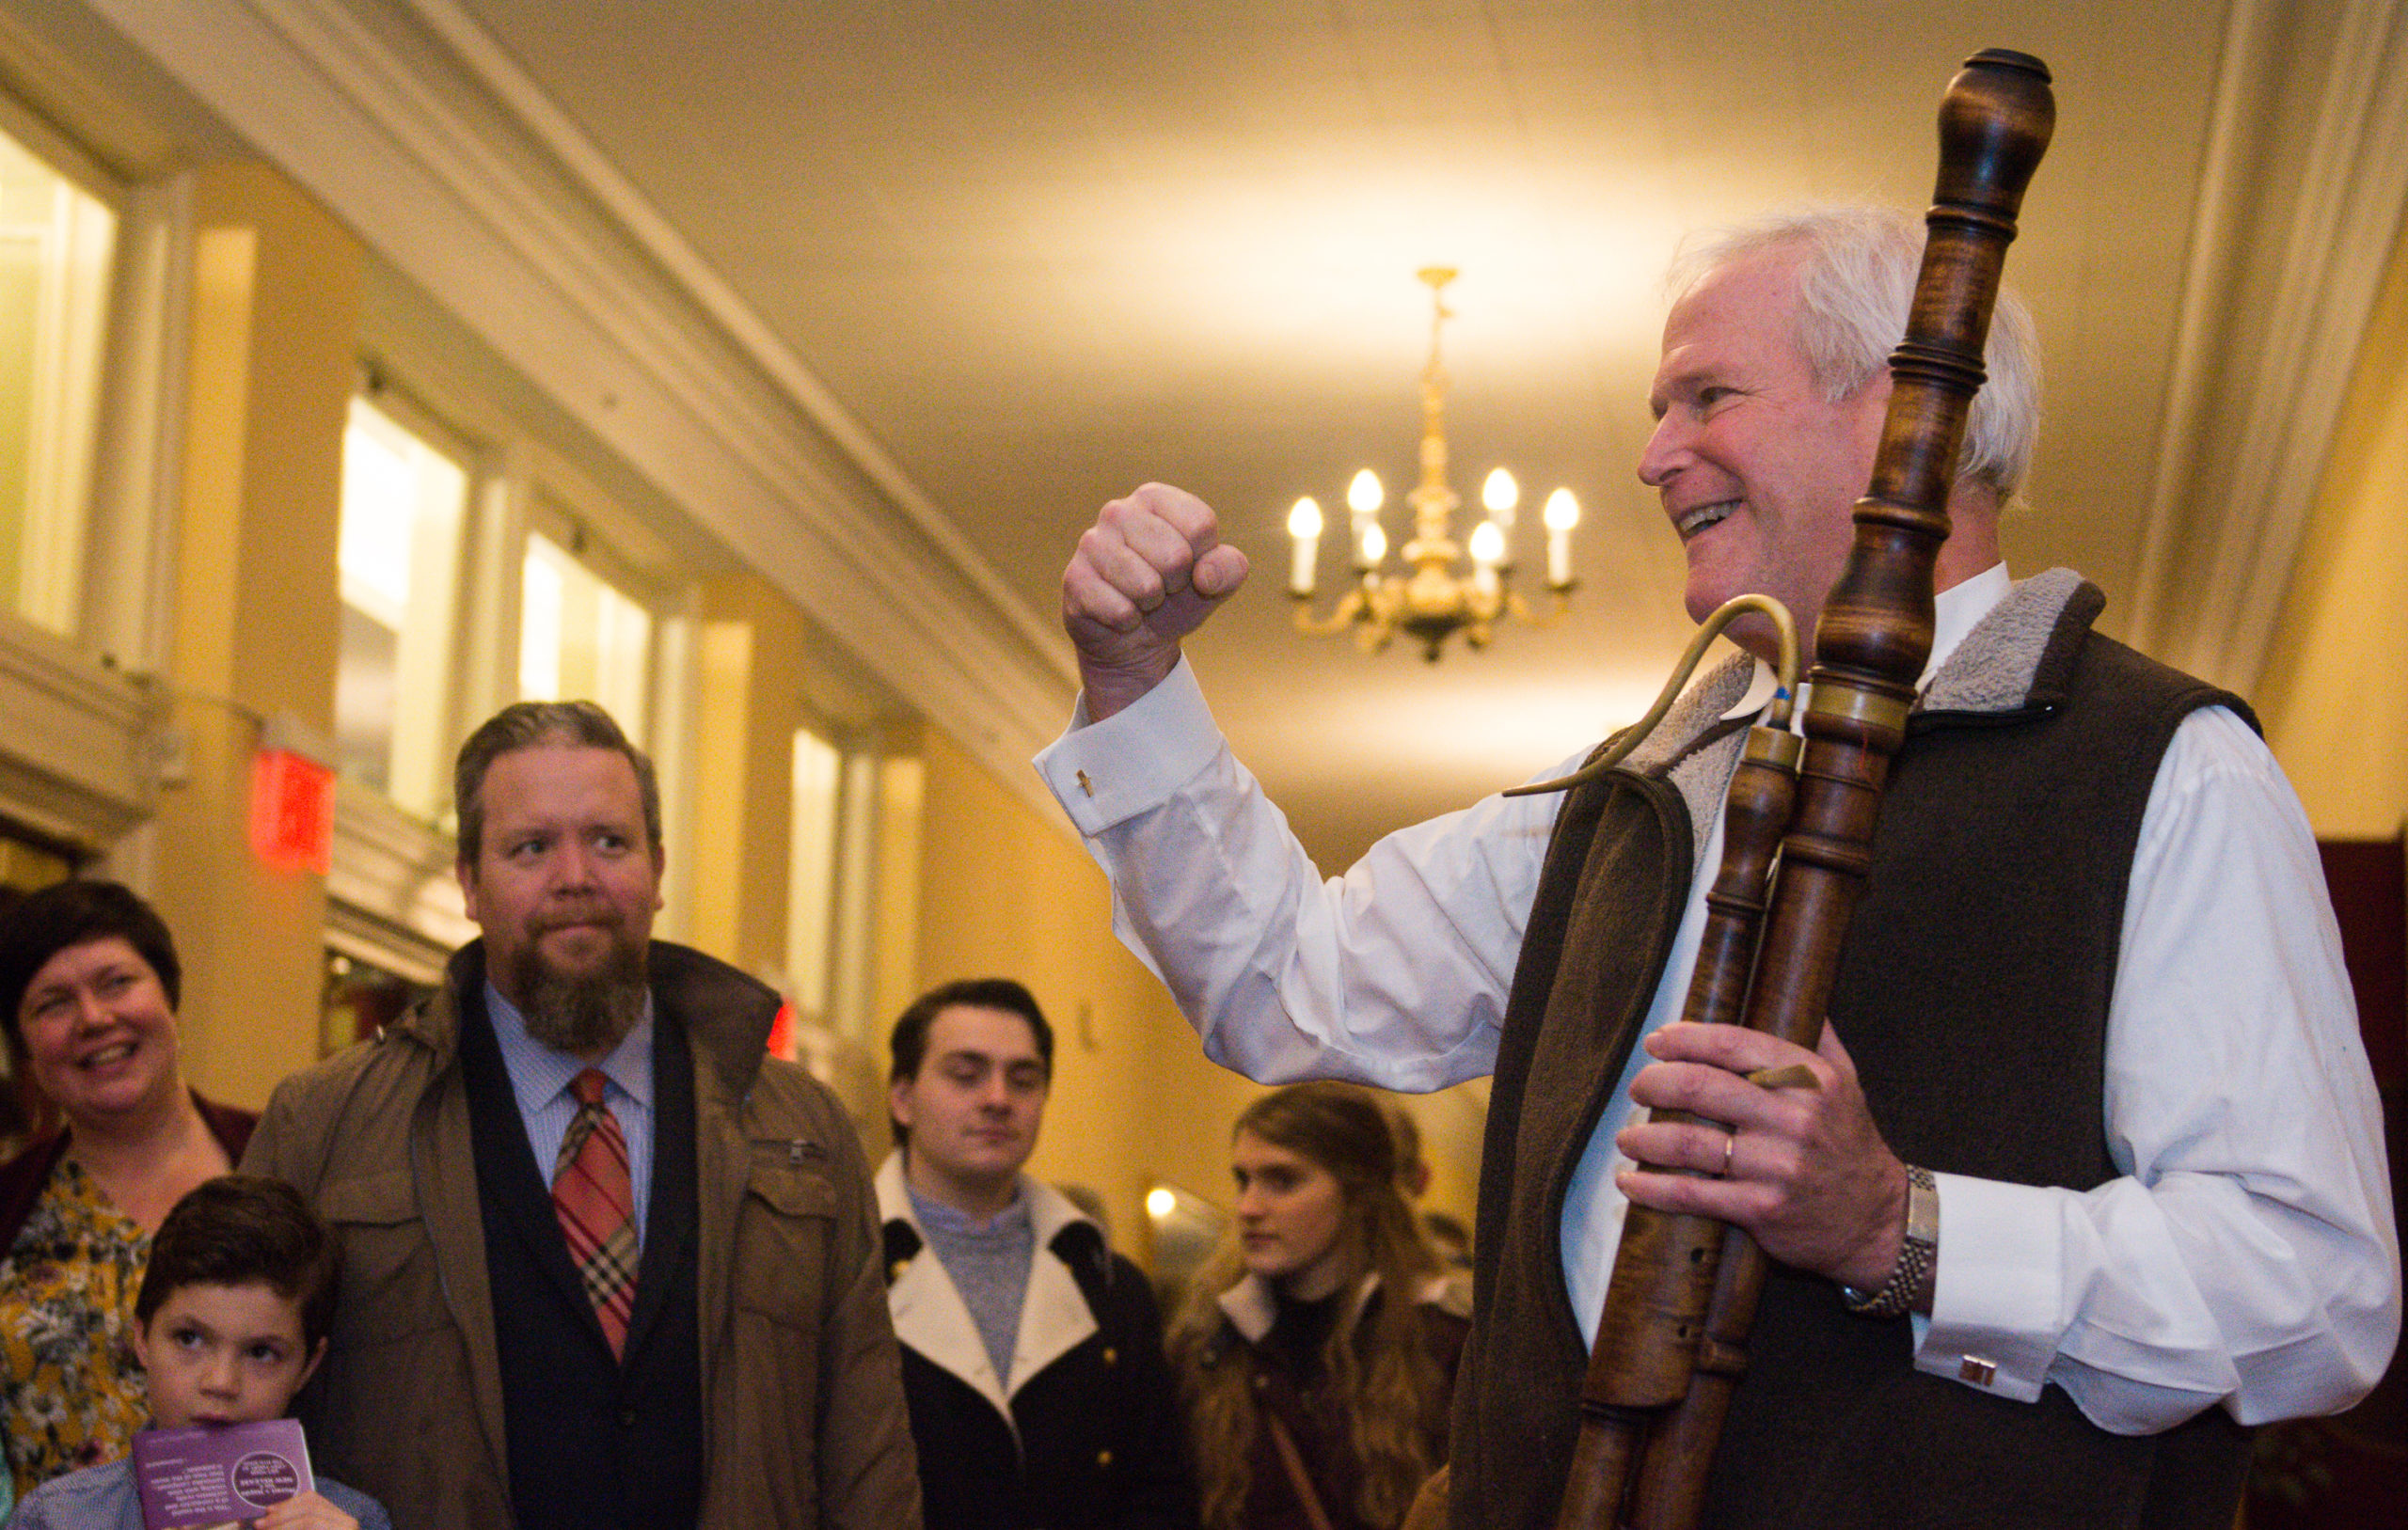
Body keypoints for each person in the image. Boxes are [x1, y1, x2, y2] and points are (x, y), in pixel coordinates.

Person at [1038, 207, 2399, 1529]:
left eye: (1706, 397)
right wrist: (1136, 685)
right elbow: (1286, 982)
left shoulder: (2160, 766)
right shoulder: (1635, 791)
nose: (1652, 455)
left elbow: (2314, 1293)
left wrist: (1898, 1227)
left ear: (1904, 409)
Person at [244, 700, 921, 1530]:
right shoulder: (327, 1126)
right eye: (531, 848)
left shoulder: (801, 1130)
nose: (577, 876)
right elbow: (231, 1405)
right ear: (468, 883)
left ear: (659, 869)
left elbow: (868, 1447)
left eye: (610, 842)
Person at [879, 977, 1194, 1530]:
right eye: (966, 1075)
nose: (998, 1099)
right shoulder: (836, 1269)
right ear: (902, 1097)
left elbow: (1159, 1493)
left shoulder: (1112, 1289)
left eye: (1023, 1079)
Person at [0, 882, 258, 1502]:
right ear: (26, 1048)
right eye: (53, 1003)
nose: (93, 1017)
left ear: (168, 996)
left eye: (116, 982)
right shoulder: (7, 1205)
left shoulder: (282, 1158)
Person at [4, 1175, 389, 1530]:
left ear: (307, 1366)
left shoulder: (354, 1520)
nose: (221, 1382)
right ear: (141, 1337)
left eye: (261, 1352)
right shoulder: (55, 1519)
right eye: (189, 1339)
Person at [1167, 1081, 1467, 1530]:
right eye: (1242, 1180)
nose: (1248, 1207)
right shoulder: (1209, 1341)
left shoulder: (1443, 1342)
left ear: (1357, 1192)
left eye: (1283, 1181)